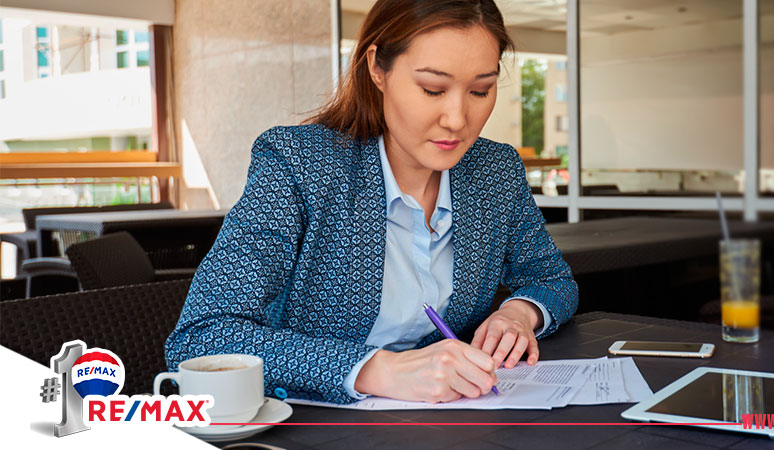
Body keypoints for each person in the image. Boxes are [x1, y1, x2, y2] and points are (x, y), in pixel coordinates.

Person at [165, 0, 578, 405]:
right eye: (432, 89)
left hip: (450, 423)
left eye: (480, 90)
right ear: (377, 68)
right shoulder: (300, 165)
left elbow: (552, 279)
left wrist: (520, 314)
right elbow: (201, 337)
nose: (457, 118)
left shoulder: (494, 171)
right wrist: (379, 370)